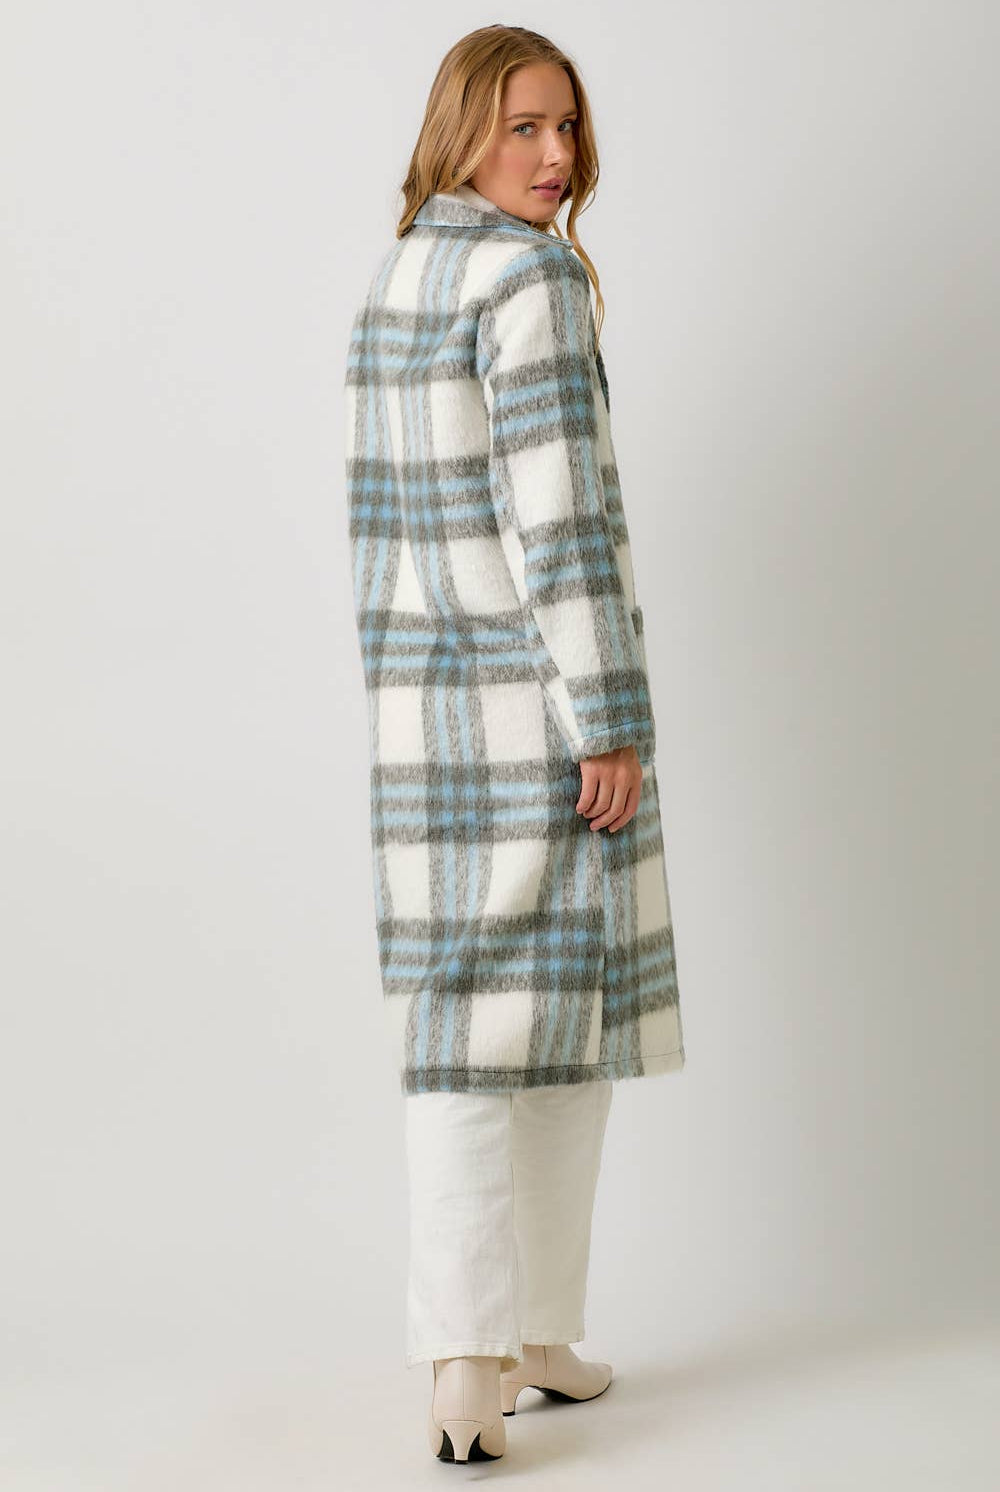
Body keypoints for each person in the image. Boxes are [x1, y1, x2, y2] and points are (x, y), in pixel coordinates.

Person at [344, 24, 686, 1464]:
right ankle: (472, 1361)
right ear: (462, 128)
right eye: (523, 127)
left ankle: (519, 1340)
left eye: (567, 127)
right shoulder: (528, 276)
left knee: (492, 1035)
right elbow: (559, 519)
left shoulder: (402, 274)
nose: (556, 156)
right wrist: (605, 717)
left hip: (422, 724)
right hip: (538, 714)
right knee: (529, 1043)